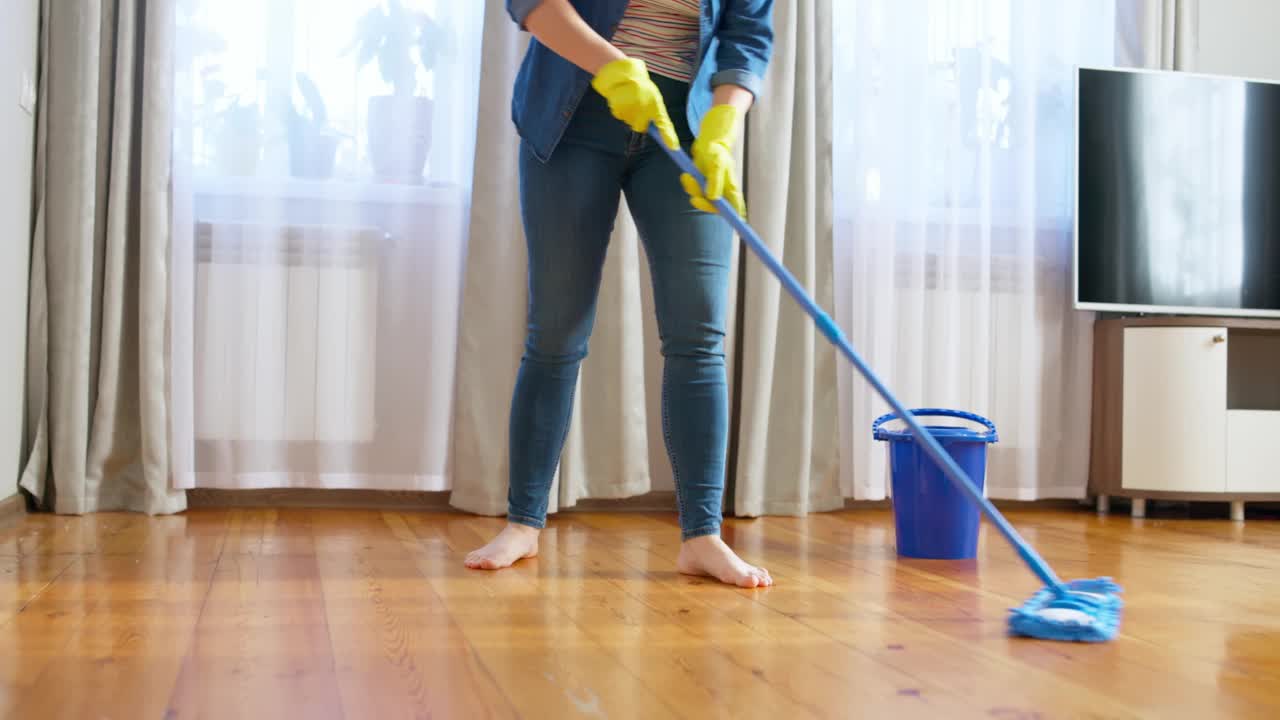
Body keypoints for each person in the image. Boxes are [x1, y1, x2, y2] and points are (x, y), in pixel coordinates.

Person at [465, 0, 775, 588]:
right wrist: (612, 67)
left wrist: (723, 128)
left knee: (699, 333)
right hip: (574, 114)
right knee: (556, 330)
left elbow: (747, 32)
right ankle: (524, 523)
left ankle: (702, 537)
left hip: (683, 126)